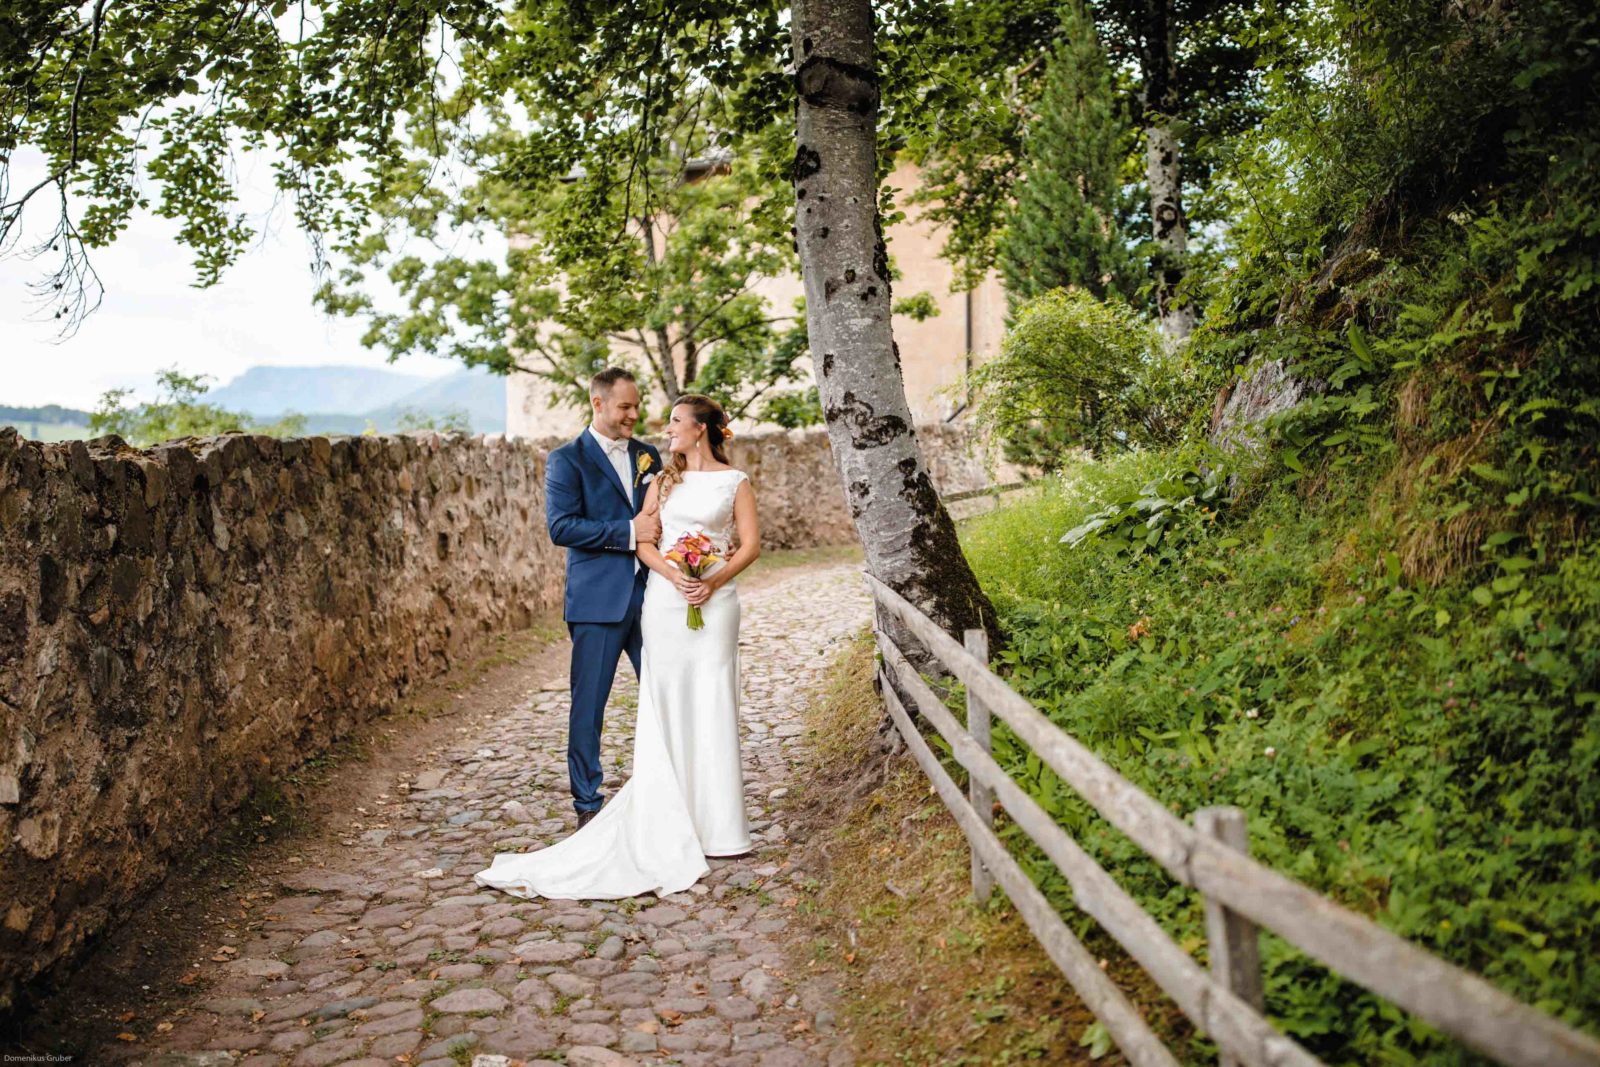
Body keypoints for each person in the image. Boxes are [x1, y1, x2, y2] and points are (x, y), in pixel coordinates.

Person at [475, 391, 761, 899]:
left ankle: (711, 816)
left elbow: (746, 541)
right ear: (599, 401)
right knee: (598, 703)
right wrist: (640, 542)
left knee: (701, 698)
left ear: (699, 428)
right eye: (627, 407)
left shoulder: (654, 460)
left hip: (669, 599)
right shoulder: (570, 460)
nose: (639, 418)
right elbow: (564, 527)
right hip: (615, 596)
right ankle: (589, 805)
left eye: (653, 413)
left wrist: (708, 578)